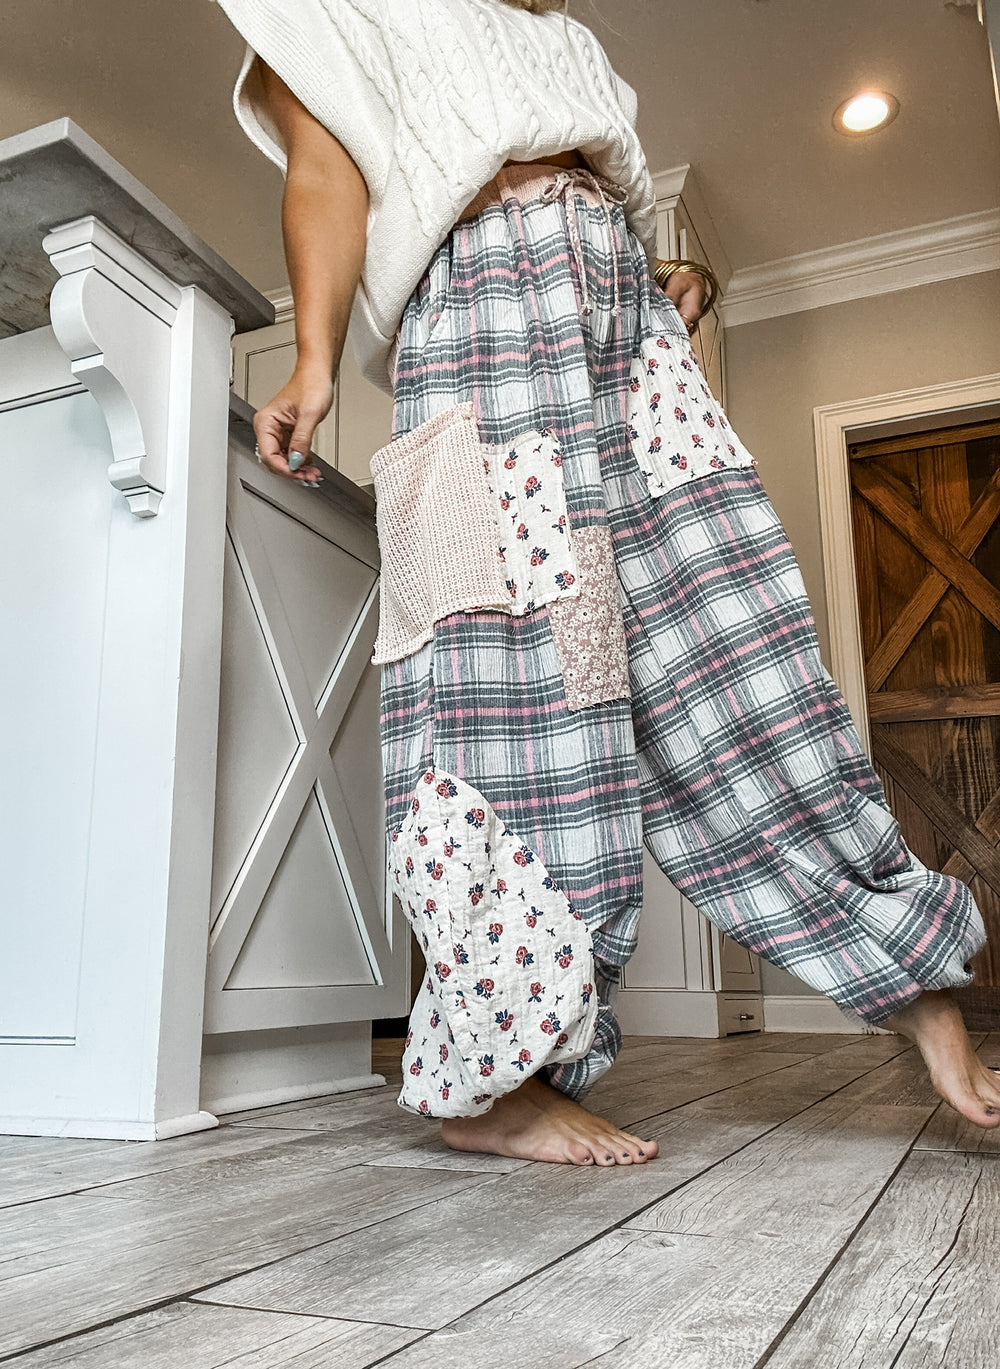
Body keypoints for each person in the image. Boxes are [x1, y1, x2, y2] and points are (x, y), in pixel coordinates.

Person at [214, 0, 999, 1165]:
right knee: (523, 695)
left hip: (623, 334)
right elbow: (326, 170)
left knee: (734, 652)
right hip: (478, 324)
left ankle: (910, 978)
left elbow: (588, 188)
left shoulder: (563, 35)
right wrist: (314, 361)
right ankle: (501, 1077)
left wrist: (648, 276)